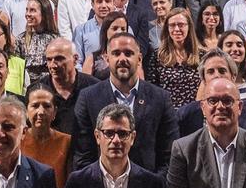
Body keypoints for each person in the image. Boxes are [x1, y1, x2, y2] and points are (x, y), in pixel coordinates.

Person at [72, 31, 175, 173]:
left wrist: (155, 187)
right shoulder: (88, 98)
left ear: (139, 59)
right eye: (116, 53)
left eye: (128, 53)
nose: (122, 58)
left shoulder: (160, 98)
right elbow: (82, 156)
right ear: (107, 59)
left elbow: (169, 156)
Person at [18, 81, 72, 188]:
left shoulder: (67, 142)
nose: (41, 111)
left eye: (47, 106)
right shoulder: (17, 140)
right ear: (26, 111)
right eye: (35, 106)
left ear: (55, 112)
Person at [150, 0, 203, 105]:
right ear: (167, 28)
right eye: (172, 25)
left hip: (194, 113)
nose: (176, 29)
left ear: (189, 27)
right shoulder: (157, 56)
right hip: (168, 114)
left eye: (181, 24)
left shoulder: (202, 56)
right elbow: (152, 90)